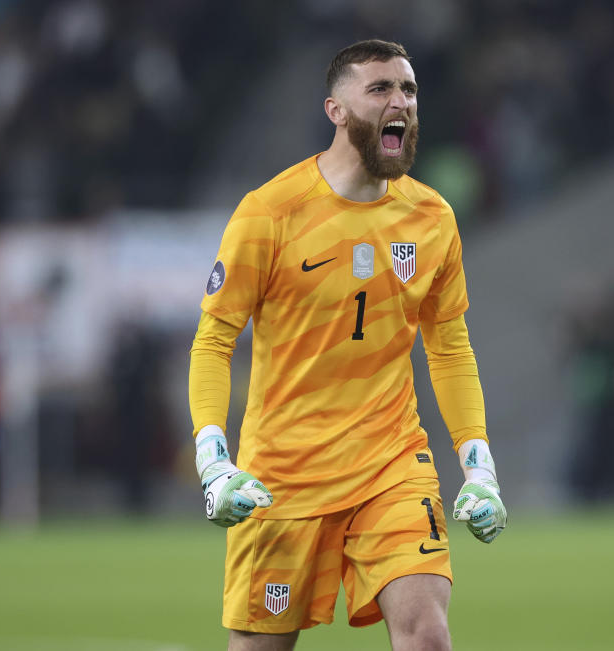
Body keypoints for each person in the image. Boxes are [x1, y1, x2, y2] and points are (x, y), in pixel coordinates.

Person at [188, 39, 506, 651]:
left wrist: (478, 464)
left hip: (392, 465)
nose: (402, 103)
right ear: (336, 110)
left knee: (428, 637)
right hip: (283, 475)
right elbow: (213, 340)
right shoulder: (270, 212)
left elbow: (450, 348)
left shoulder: (432, 218)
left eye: (409, 90)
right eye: (381, 89)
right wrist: (212, 461)